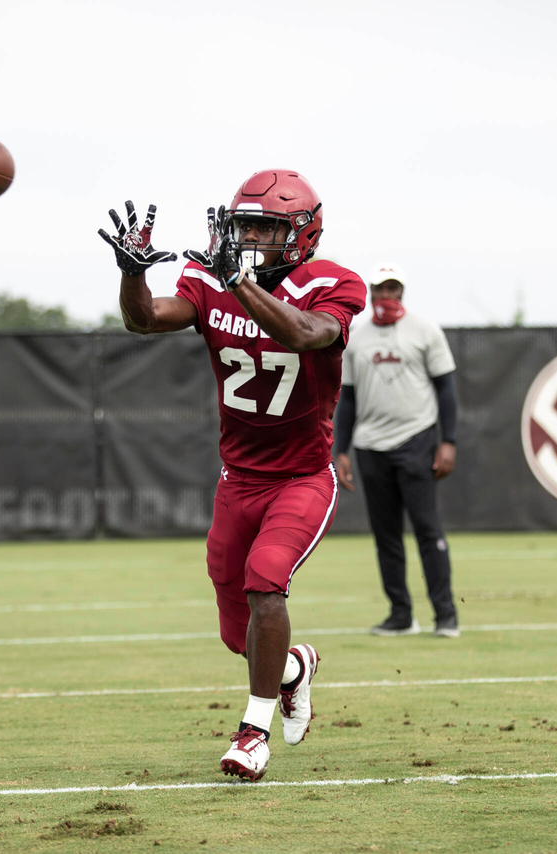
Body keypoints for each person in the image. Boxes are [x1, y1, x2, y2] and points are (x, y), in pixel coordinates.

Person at [98, 169, 366, 781]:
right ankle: (293, 669)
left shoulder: (333, 283)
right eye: (243, 225)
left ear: (301, 235)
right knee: (235, 632)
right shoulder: (211, 280)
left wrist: (239, 284)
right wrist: (132, 274)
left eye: (265, 228)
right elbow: (145, 319)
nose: (248, 238)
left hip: (302, 477)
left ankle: (252, 734)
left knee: (267, 581)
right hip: (238, 479)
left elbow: (305, 333)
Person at [332, 263, 461, 638]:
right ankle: (401, 615)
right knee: (385, 536)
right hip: (370, 447)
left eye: (393, 289)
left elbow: (446, 389)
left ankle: (446, 615)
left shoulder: (425, 329)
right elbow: (347, 399)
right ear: (371, 292)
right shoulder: (356, 338)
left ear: (401, 292)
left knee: (427, 530)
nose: (387, 295)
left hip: (416, 439)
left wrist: (448, 440)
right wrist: (342, 449)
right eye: (381, 289)